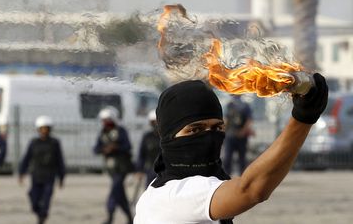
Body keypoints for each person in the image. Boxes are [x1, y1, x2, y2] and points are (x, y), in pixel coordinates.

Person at [134, 75, 328, 224]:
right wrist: (302, 119)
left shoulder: (157, 192)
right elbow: (251, 190)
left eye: (217, 128)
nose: (209, 137)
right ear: (168, 135)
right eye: (195, 129)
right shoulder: (175, 193)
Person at [19, 115, 66, 224]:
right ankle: (39, 213)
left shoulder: (55, 143)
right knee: (33, 198)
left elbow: (60, 160)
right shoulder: (34, 142)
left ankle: (42, 218)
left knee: (46, 199)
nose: (44, 131)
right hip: (36, 175)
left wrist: (61, 177)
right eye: (42, 128)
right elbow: (27, 158)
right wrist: (22, 173)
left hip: (49, 176)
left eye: (46, 128)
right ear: (39, 129)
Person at [93, 107, 134, 224]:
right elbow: (96, 149)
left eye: (108, 120)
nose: (106, 123)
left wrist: (116, 147)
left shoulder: (121, 131)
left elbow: (128, 146)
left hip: (122, 167)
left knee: (115, 189)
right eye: (104, 120)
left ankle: (110, 216)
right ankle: (130, 217)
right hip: (111, 168)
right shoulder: (102, 132)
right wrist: (104, 149)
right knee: (119, 193)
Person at [223, 95, 253, 175]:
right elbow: (226, 119)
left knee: (242, 158)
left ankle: (242, 177)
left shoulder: (245, 106)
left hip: (241, 136)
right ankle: (227, 175)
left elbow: (249, 120)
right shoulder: (229, 105)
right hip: (231, 135)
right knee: (228, 157)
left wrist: (243, 131)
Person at [136, 109, 161, 188]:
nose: (155, 124)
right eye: (153, 122)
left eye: (157, 122)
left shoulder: (167, 136)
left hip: (165, 170)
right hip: (150, 169)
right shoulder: (147, 137)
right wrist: (139, 170)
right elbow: (141, 154)